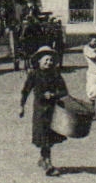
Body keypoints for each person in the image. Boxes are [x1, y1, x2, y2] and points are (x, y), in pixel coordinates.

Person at [19, 46, 68, 176]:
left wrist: (54, 95)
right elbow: (26, 90)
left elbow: (64, 92)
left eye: (51, 60)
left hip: (53, 110)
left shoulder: (56, 75)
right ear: (39, 61)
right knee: (43, 135)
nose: (48, 63)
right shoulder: (34, 74)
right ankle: (48, 164)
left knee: (49, 137)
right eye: (46, 60)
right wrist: (22, 106)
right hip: (40, 110)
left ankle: (44, 159)